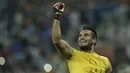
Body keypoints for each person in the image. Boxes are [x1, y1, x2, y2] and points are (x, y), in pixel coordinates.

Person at [52, 2, 112, 73]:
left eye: (86, 35)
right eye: (80, 36)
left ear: (94, 40)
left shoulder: (105, 61)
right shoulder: (73, 55)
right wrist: (57, 16)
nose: (81, 37)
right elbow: (56, 41)